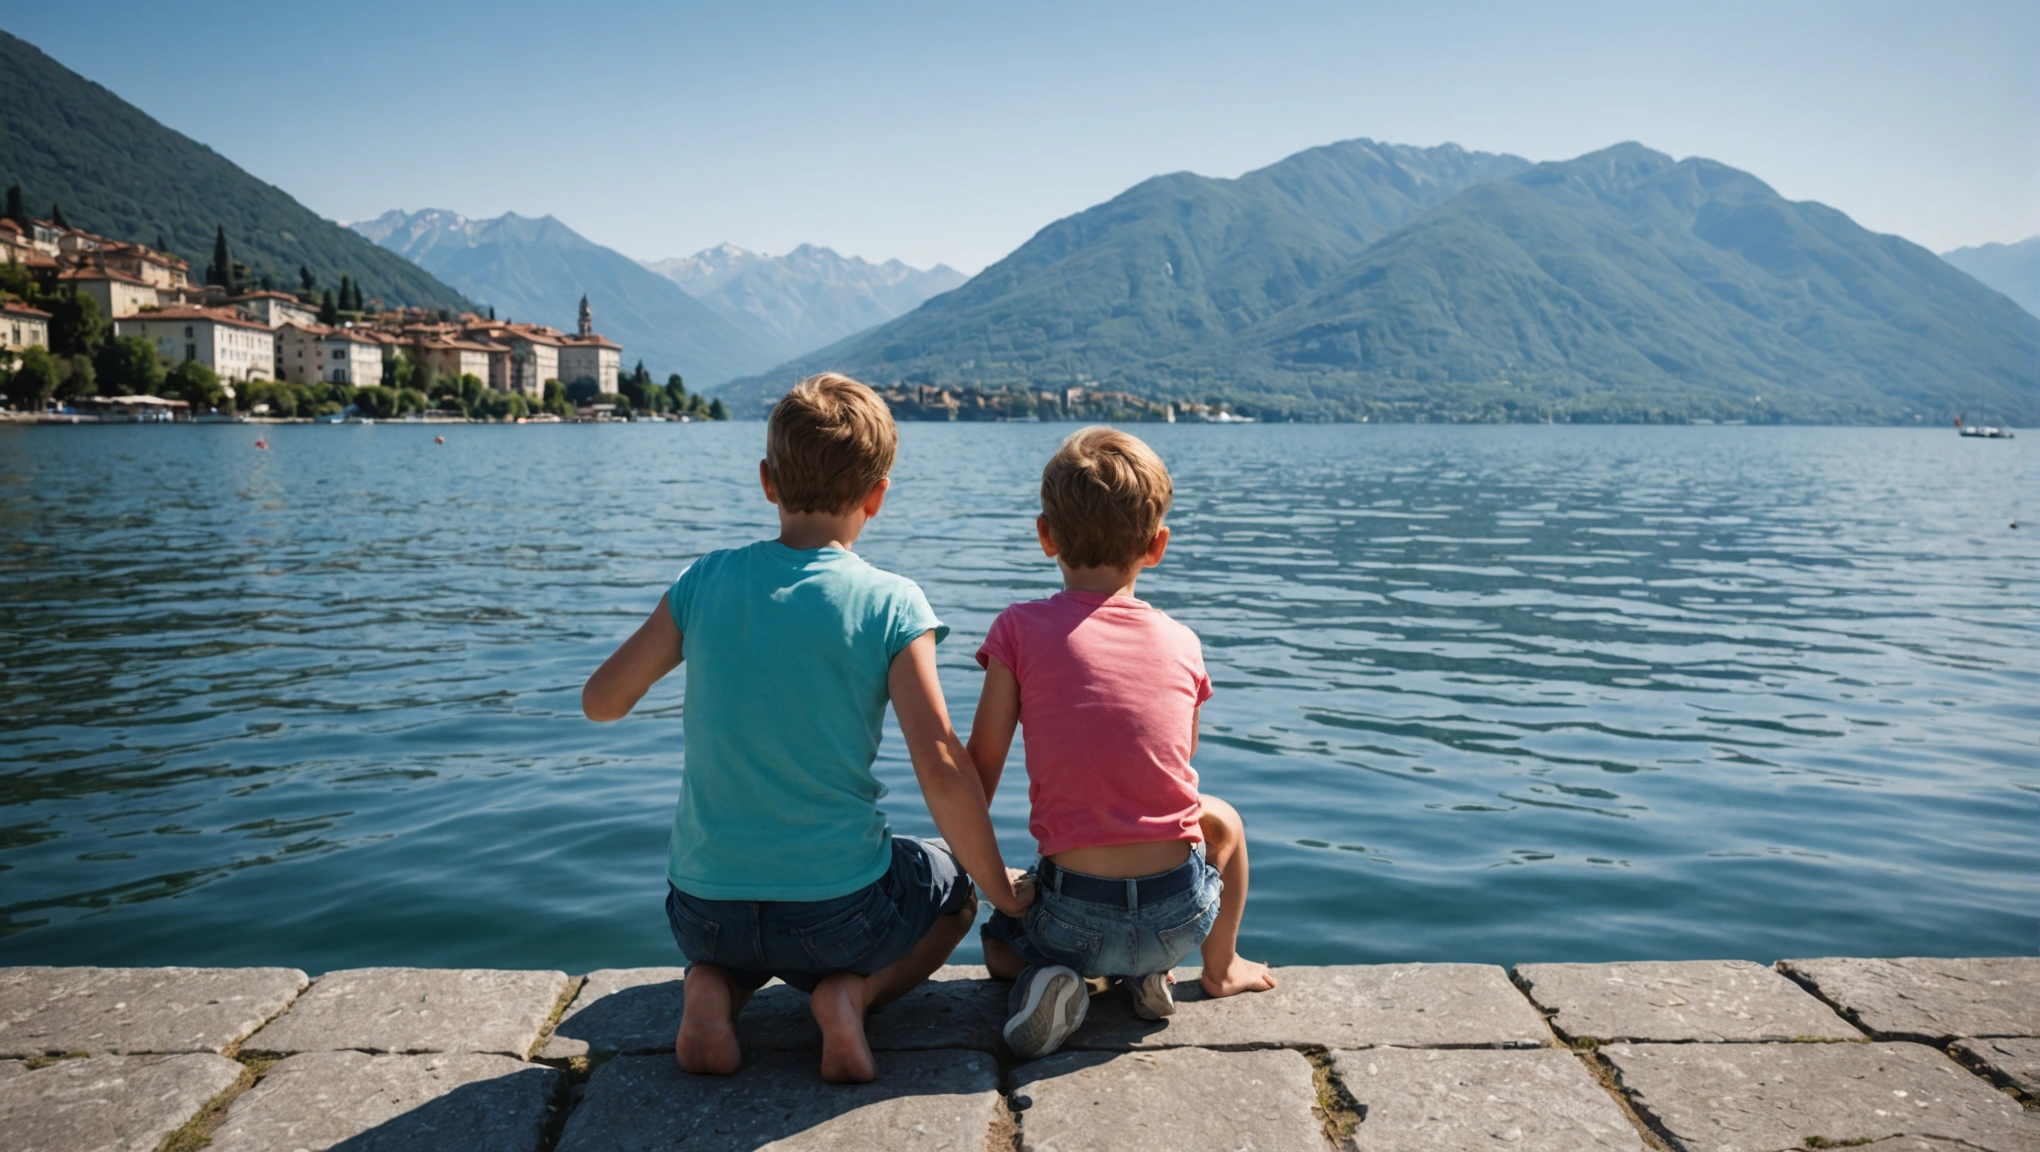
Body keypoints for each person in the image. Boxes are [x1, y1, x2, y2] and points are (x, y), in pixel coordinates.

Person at [581, 373, 1031, 1084]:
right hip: (837, 918)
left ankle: (713, 990)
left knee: (739, 933)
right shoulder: (892, 603)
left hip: (703, 912)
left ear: (767, 481)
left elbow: (601, 701)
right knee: (952, 891)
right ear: (877, 495)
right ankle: (851, 997)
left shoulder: (705, 579)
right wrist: (999, 887)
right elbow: (942, 765)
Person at [967, 426, 1277, 1060]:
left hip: (1072, 921)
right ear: (1157, 546)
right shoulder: (1183, 642)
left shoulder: (1018, 630)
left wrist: (1004, 883)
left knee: (1000, 943)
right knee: (1228, 822)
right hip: (1177, 918)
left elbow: (979, 776)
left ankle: (1054, 982)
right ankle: (1214, 969)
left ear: (1045, 535)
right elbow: (1174, 771)